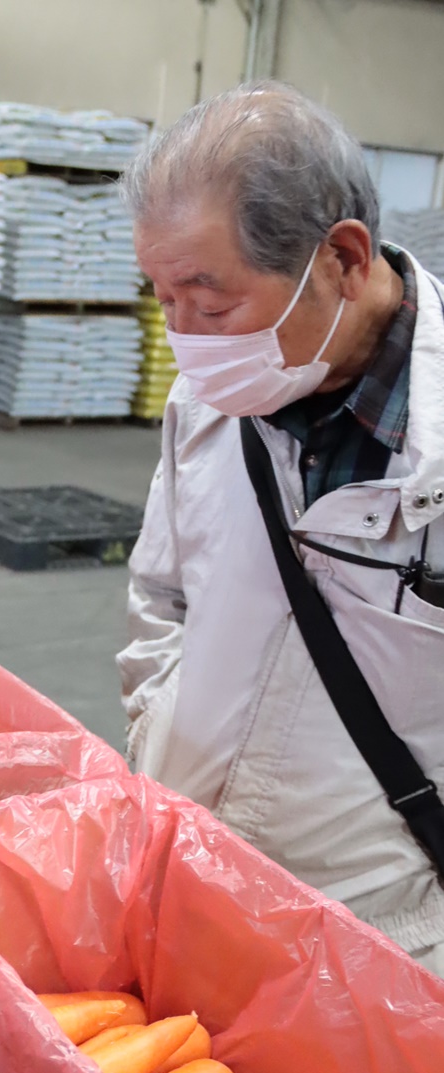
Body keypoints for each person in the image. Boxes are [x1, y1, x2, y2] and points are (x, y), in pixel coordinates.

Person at [118, 82, 444, 973]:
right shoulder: (208, 397)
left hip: (384, 934)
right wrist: (158, 724)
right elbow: (161, 591)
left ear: (341, 257)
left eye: (209, 304)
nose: (185, 340)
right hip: (187, 871)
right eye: (162, 299)